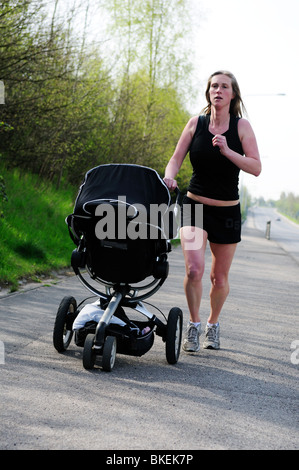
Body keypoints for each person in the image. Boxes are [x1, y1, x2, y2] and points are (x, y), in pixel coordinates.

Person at [163, 71, 261, 352]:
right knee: (194, 269)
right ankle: (193, 325)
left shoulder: (242, 127)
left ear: (233, 94)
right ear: (208, 92)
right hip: (194, 207)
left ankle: (213, 324)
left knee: (219, 278)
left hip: (227, 213)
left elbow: (256, 167)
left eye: (224, 86)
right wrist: (170, 176)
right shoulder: (196, 123)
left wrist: (229, 151)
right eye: (213, 86)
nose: (218, 90)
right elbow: (175, 159)